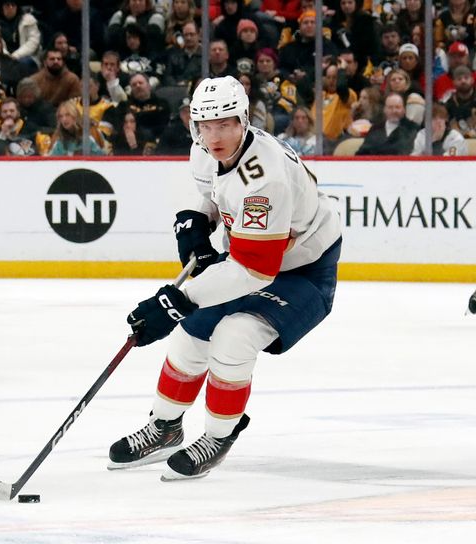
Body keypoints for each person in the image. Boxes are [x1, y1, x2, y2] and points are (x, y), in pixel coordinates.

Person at [108, 75, 341, 480]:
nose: (214, 136)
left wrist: (174, 300)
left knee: (235, 335)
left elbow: (254, 269)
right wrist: (198, 222)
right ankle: (165, 427)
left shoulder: (263, 178)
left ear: (245, 120)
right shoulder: (204, 150)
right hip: (253, 259)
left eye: (225, 124)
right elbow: (214, 193)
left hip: (303, 270)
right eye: (205, 125)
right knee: (191, 333)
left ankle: (219, 435)